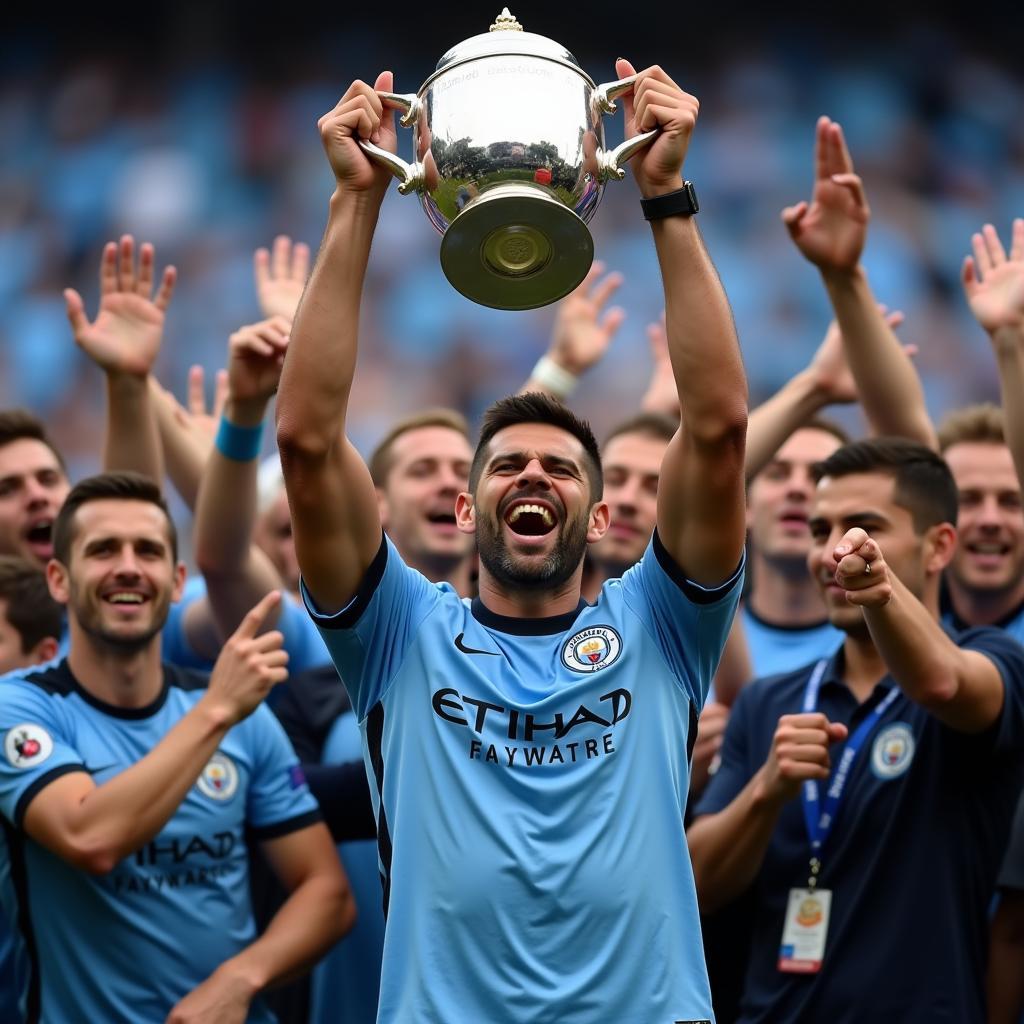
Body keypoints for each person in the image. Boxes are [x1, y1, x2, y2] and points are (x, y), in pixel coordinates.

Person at [277, 60, 747, 1022]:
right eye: (507, 467)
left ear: (607, 519)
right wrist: (356, 202)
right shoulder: (398, 634)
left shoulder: (661, 625)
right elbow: (308, 441)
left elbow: (718, 429)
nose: (534, 476)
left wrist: (664, 197)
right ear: (463, 510)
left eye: (563, 469)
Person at [688, 438, 1024, 1023]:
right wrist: (766, 792)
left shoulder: (994, 659)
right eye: (822, 531)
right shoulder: (772, 701)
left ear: (940, 545)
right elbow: (697, 885)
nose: (834, 551)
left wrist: (881, 594)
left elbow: (945, 685)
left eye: (864, 527)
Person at [0, 472, 352, 1023]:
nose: (128, 566)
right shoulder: (20, 709)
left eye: (148, 550)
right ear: (59, 579)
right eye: (102, 550)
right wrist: (215, 713)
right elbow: (89, 837)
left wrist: (240, 980)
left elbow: (326, 894)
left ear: (175, 576)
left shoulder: (240, 715)